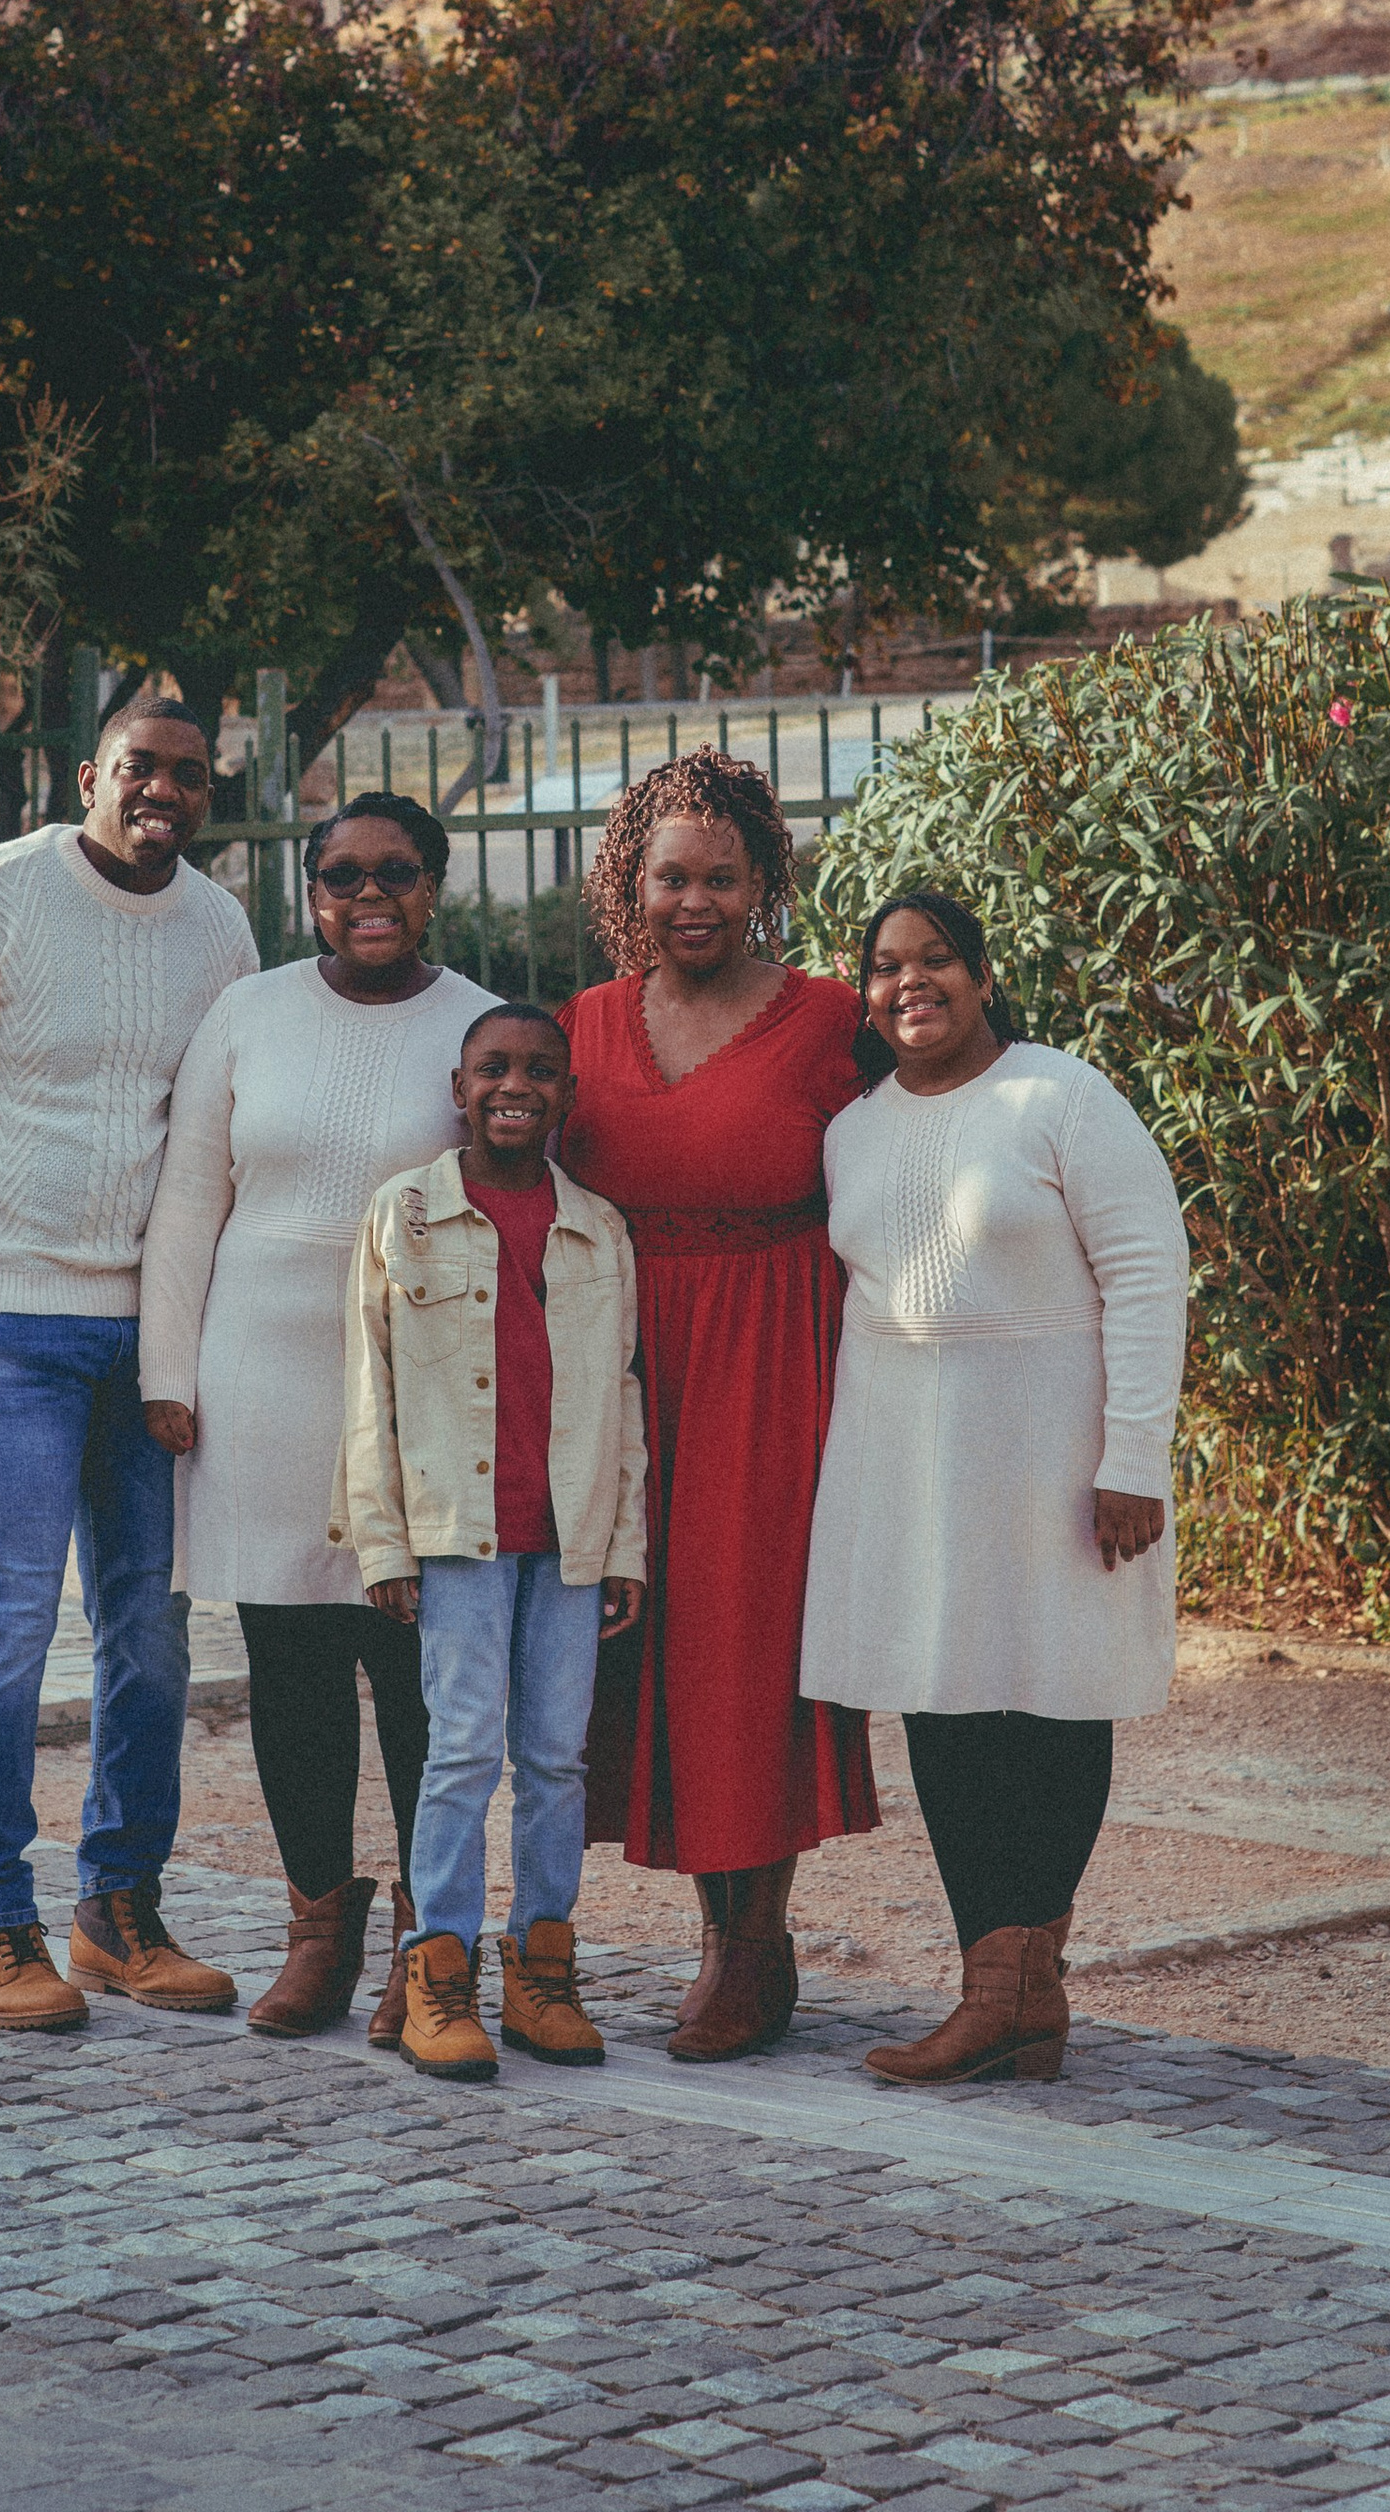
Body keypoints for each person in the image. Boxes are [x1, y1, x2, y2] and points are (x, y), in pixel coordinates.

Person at [0, 696, 257, 2031]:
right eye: (140, 768)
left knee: (151, 1633)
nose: (163, 791)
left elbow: (215, 1133)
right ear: (92, 774)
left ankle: (118, 1911)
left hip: (147, 1337)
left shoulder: (219, 928)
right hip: (7, 1332)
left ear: (207, 796)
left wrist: (198, 1339)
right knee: (12, 1624)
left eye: (188, 776)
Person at [800, 886, 1189, 2088]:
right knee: (946, 1707)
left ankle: (1017, 1990)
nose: (909, 982)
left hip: (1052, 1458)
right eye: (885, 966)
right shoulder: (851, 1132)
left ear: (980, 975)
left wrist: (1132, 1458)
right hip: (910, 1466)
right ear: (865, 994)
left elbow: (1148, 1275)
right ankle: (1002, 1993)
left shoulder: (1061, 1097)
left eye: (935, 960)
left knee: (1055, 1698)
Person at [138, 792, 494, 2042]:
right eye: (342, 876)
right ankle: (316, 1934)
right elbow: (190, 1202)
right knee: (289, 1665)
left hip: (416, 1384)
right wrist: (168, 1375)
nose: (369, 895)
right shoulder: (247, 1014)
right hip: (260, 1375)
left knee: (416, 1672)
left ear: (433, 886)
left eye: (396, 872)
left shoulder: (477, 1026)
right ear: (312, 895)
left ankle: (427, 1946)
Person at [560, 749, 877, 2065]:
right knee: (645, 1649)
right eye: (670, 877)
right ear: (628, 883)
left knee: (745, 1652)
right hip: (624, 1369)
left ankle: (750, 1945)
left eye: (722, 879)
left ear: (763, 885)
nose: (694, 902)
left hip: (773, 1365)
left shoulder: (831, 1022)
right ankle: (715, 1931)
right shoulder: (579, 1026)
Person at [338, 1002, 647, 2083]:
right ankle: (438, 1976)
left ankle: (542, 1973)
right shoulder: (405, 1212)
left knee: (557, 1758)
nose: (516, 1087)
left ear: (568, 1094)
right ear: (458, 1089)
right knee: (463, 1751)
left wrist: (624, 1545)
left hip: (567, 1538)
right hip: (458, 1535)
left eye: (541, 1071)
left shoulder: (598, 1228)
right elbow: (369, 1386)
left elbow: (622, 1394)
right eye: (493, 1068)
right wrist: (383, 1545)